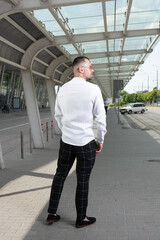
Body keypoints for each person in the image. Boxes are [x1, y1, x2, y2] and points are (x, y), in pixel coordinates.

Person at [47, 56, 107, 228]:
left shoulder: (63, 90)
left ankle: (52, 213)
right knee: (83, 180)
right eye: (90, 66)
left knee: (59, 176)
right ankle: (81, 218)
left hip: (66, 141)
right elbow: (100, 118)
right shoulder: (93, 89)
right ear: (81, 69)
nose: (92, 70)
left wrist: (66, 131)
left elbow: (58, 115)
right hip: (86, 142)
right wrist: (100, 139)